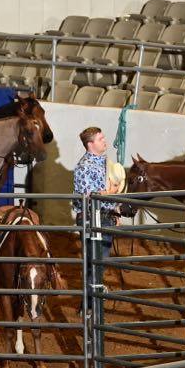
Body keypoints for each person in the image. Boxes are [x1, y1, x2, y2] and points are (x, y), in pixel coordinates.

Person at [72, 126, 122, 295]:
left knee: (99, 262)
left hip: (105, 217)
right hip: (92, 218)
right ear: (90, 144)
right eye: (101, 139)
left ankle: (92, 303)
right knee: (94, 263)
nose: (105, 141)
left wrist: (115, 209)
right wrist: (111, 193)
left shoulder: (105, 163)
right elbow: (89, 196)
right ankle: (91, 304)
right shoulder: (84, 166)